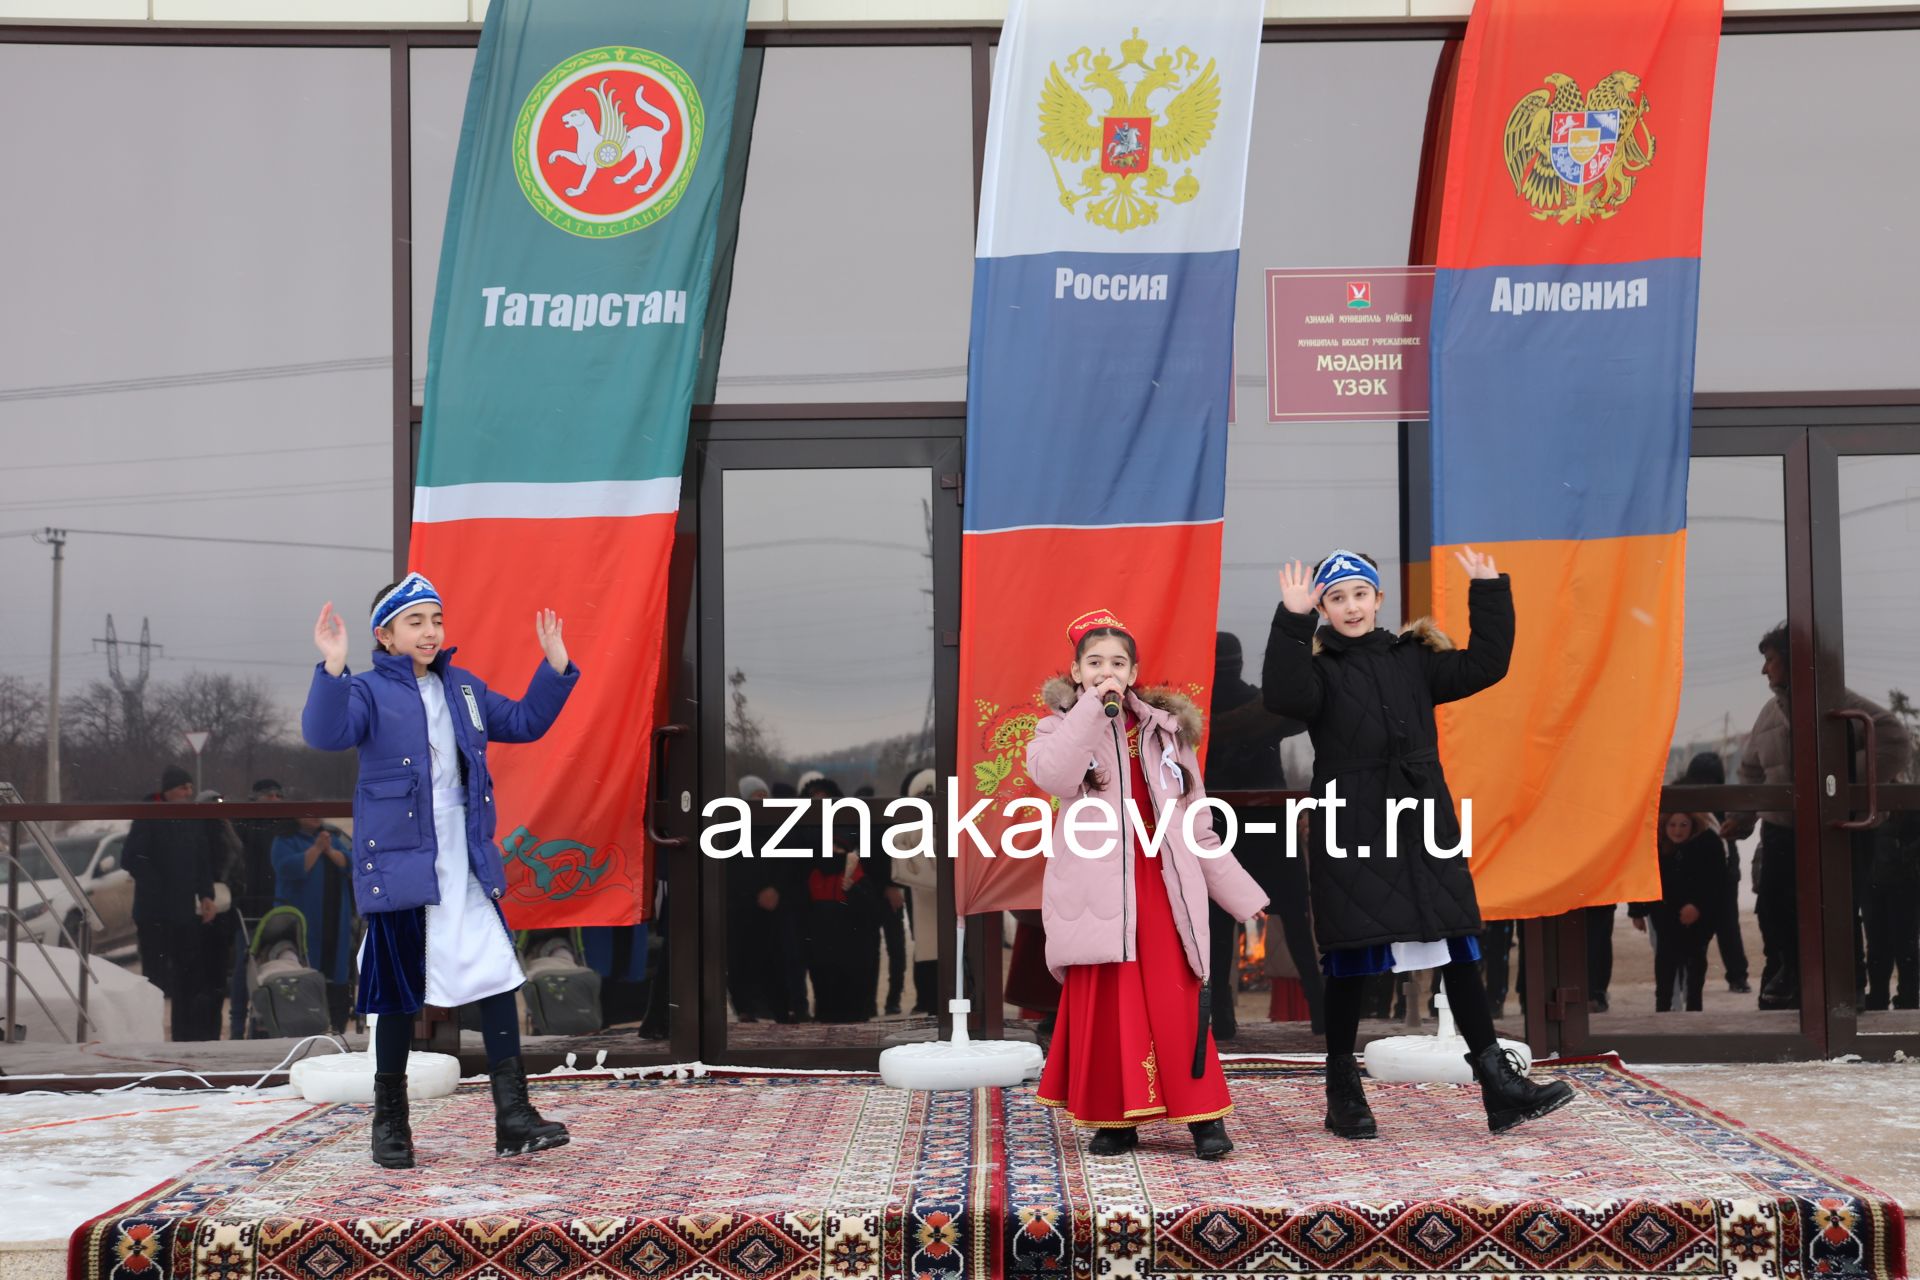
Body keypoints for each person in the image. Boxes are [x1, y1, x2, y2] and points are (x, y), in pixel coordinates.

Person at [1263, 549, 1573, 1138]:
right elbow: (1284, 696)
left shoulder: (1415, 658)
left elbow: (1487, 664)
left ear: (1379, 599)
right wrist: (1292, 620)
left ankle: (1499, 1084)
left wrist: (1488, 591)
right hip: (1351, 818)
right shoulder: (1320, 669)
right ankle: (1342, 1091)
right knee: (1354, 954)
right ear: (1325, 609)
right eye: (1336, 598)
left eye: (1360, 594)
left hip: (1421, 811)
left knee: (1456, 941)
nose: (1350, 606)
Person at [303, 573, 579, 1168]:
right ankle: (391, 1124)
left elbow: (526, 722)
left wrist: (555, 667)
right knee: (398, 993)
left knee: (498, 974)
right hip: (402, 862)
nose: (430, 632)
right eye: (415, 622)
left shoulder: (464, 688)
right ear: (387, 633)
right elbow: (324, 734)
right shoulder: (367, 691)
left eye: (436, 619)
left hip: (465, 855)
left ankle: (513, 1116)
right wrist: (332, 667)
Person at [1026, 609, 1269, 1161]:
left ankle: (1202, 1116)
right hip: (1097, 886)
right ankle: (1114, 1119)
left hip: (1163, 883)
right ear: (1075, 670)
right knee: (1109, 1001)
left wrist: (1243, 895)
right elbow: (1056, 775)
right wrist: (1090, 709)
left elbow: (1196, 821)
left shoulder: (1165, 732)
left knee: (1175, 995)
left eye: (1116, 663)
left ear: (1134, 672)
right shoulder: (1055, 730)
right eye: (1094, 663)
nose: (1105, 671)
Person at [1721, 623, 1911, 1010]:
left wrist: (1835, 777)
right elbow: (1751, 772)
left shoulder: (1840, 702)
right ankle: (1789, 977)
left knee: (1838, 910)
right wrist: (1741, 819)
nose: (1765, 671)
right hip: (1782, 829)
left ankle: (1846, 991)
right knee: (1774, 908)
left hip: (1839, 828)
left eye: (1770, 661)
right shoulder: (1768, 713)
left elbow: (1895, 742)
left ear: (1793, 662)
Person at [1203, 630, 1310, 1040]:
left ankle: (1223, 1021)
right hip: (1271, 823)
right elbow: (1301, 715)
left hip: (1213, 824)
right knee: (1295, 919)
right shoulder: (1263, 706)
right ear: (1240, 660)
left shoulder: (1194, 712)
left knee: (1218, 928)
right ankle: (1320, 1015)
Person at [122, 765, 221, 1040]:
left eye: (190, 788)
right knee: (154, 978)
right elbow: (131, 858)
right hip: (153, 912)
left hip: (183, 912)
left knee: (188, 976)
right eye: (182, 788)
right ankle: (150, 1034)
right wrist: (161, 886)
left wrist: (206, 895)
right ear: (167, 791)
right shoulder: (148, 814)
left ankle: (185, 1035)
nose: (188, 793)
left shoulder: (191, 818)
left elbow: (201, 860)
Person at [270, 813, 359, 1031]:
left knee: (336, 973)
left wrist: (328, 849)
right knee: (308, 968)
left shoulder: (331, 838)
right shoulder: (285, 841)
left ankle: (338, 1024)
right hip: (304, 921)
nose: (316, 817)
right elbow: (289, 868)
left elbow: (351, 863)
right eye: (308, 813)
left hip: (334, 919)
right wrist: (317, 849)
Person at [1633, 813, 1724, 1011]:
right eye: (1672, 825)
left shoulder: (1708, 843)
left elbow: (1716, 881)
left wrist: (1697, 906)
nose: (1677, 830)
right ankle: (1663, 1007)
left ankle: (1694, 1006)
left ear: (1693, 825)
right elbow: (1641, 875)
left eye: (1683, 825)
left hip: (1699, 916)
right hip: (1665, 912)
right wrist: (1637, 911)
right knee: (1666, 959)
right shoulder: (1654, 844)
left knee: (1695, 960)